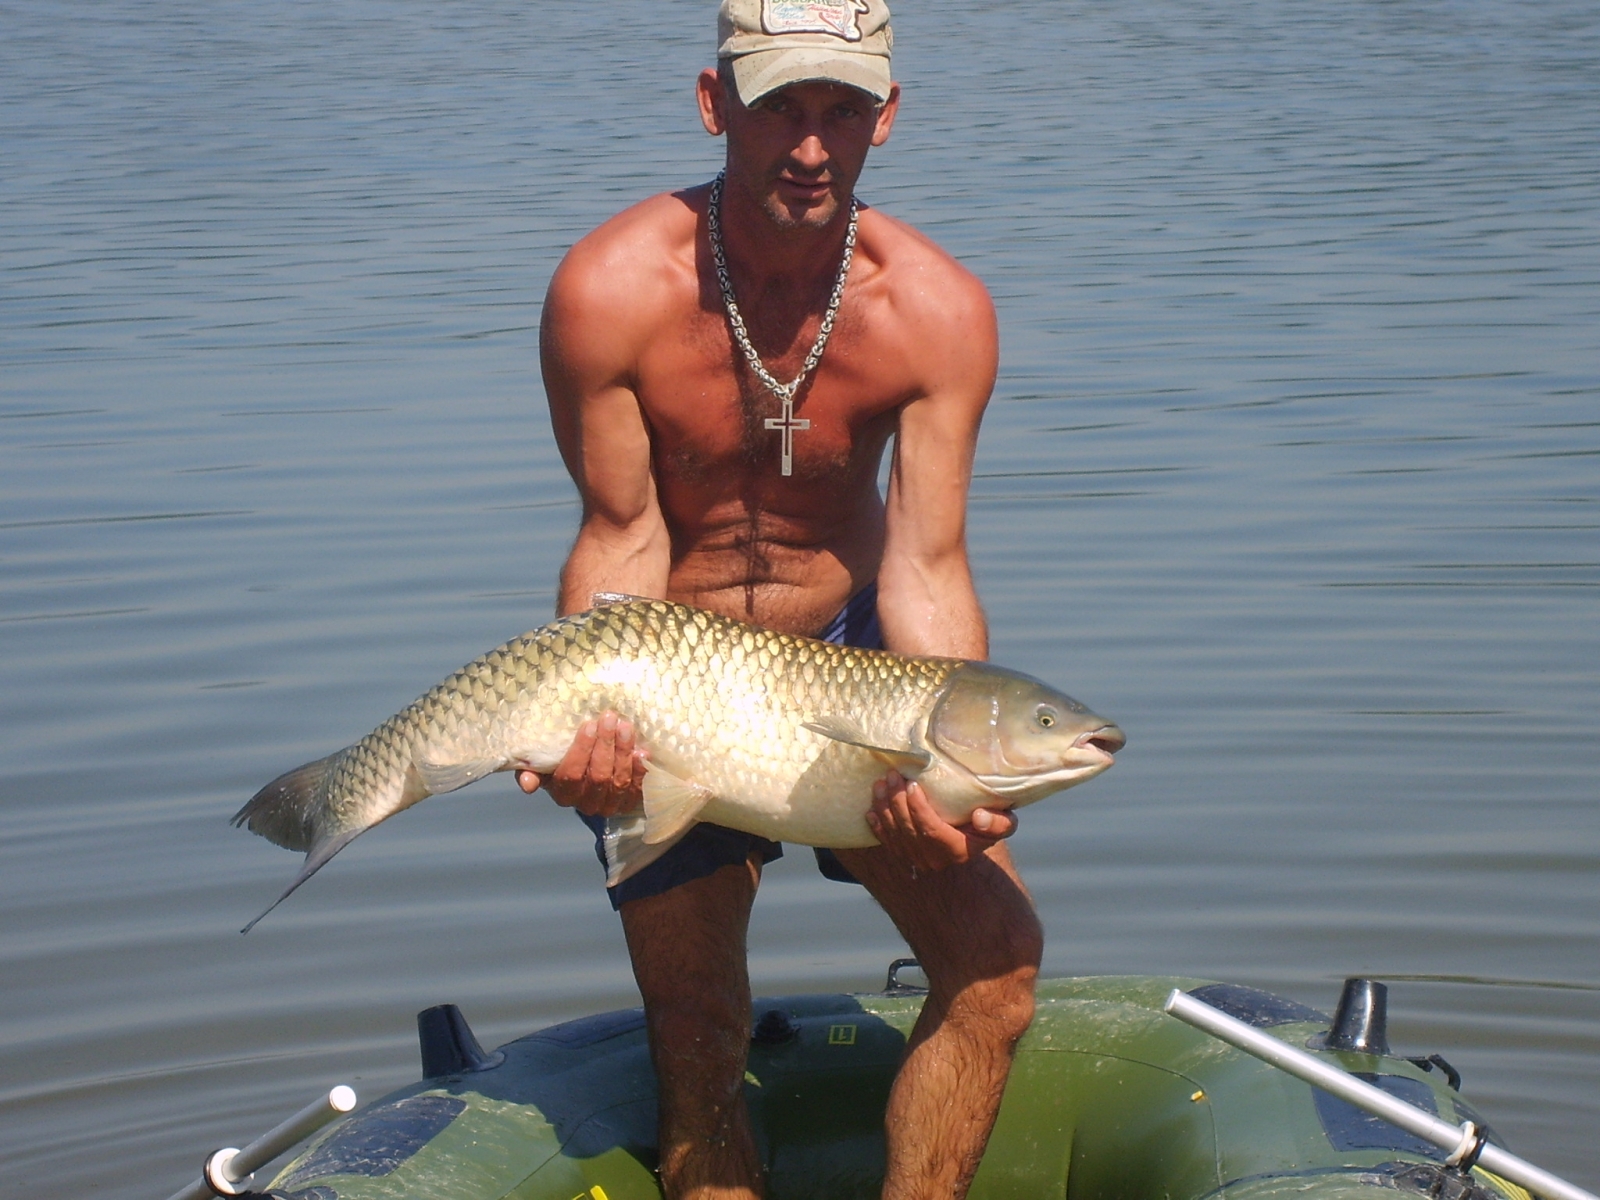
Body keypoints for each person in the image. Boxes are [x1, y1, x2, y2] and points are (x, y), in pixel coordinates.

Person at [515, 3, 1042, 1197]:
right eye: (779, 109)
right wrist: (597, 719)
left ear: (884, 119)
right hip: (673, 669)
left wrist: (949, 767)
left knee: (997, 965)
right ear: (716, 104)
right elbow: (622, 533)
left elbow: (926, 563)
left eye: (840, 112)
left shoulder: (938, 311)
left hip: (855, 662)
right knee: (697, 1024)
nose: (810, 148)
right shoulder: (610, 289)